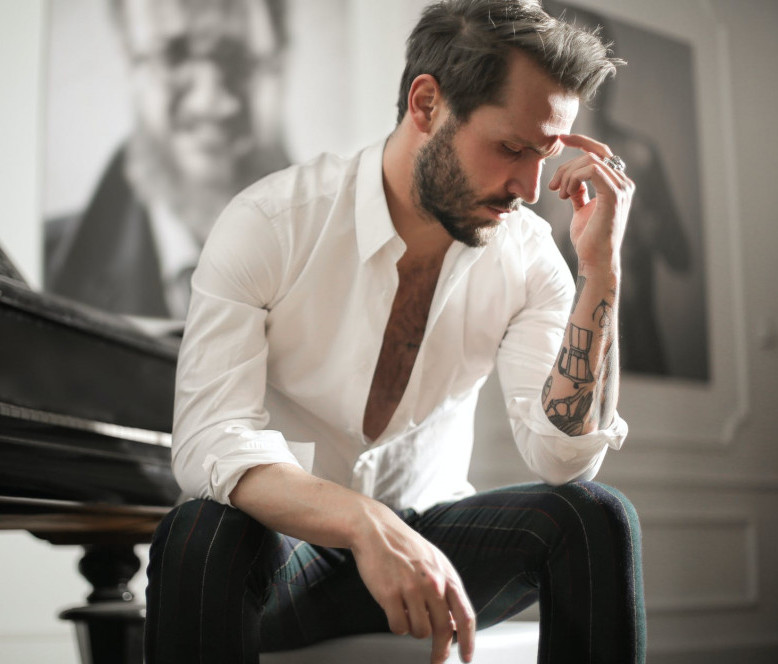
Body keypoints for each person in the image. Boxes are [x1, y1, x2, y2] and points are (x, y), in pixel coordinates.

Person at [145, 1, 646, 662]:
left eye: (546, 154)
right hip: (290, 560)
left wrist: (600, 272)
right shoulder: (271, 222)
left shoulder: (528, 257)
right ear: (427, 104)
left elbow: (562, 458)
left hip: (436, 553)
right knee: (200, 531)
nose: (529, 187)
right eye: (510, 148)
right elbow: (209, 439)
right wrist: (362, 522)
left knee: (595, 518)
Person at [45, 0, 290, 320]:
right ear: (128, 60)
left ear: (281, 60)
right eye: (172, 56)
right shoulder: (40, 272)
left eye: (238, 58)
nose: (209, 102)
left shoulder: (344, 260)